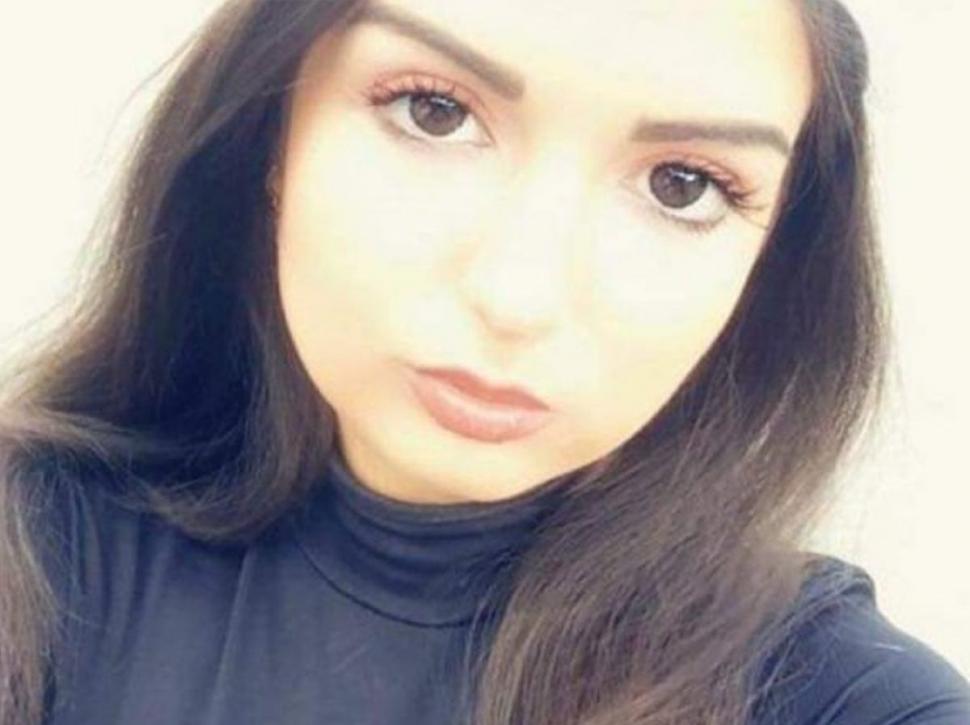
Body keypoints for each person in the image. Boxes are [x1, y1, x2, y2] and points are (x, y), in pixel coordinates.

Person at [1, 0, 968, 723]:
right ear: (271, 136)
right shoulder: (36, 557)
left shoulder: (842, 697)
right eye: (432, 111)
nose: (518, 295)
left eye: (683, 186)